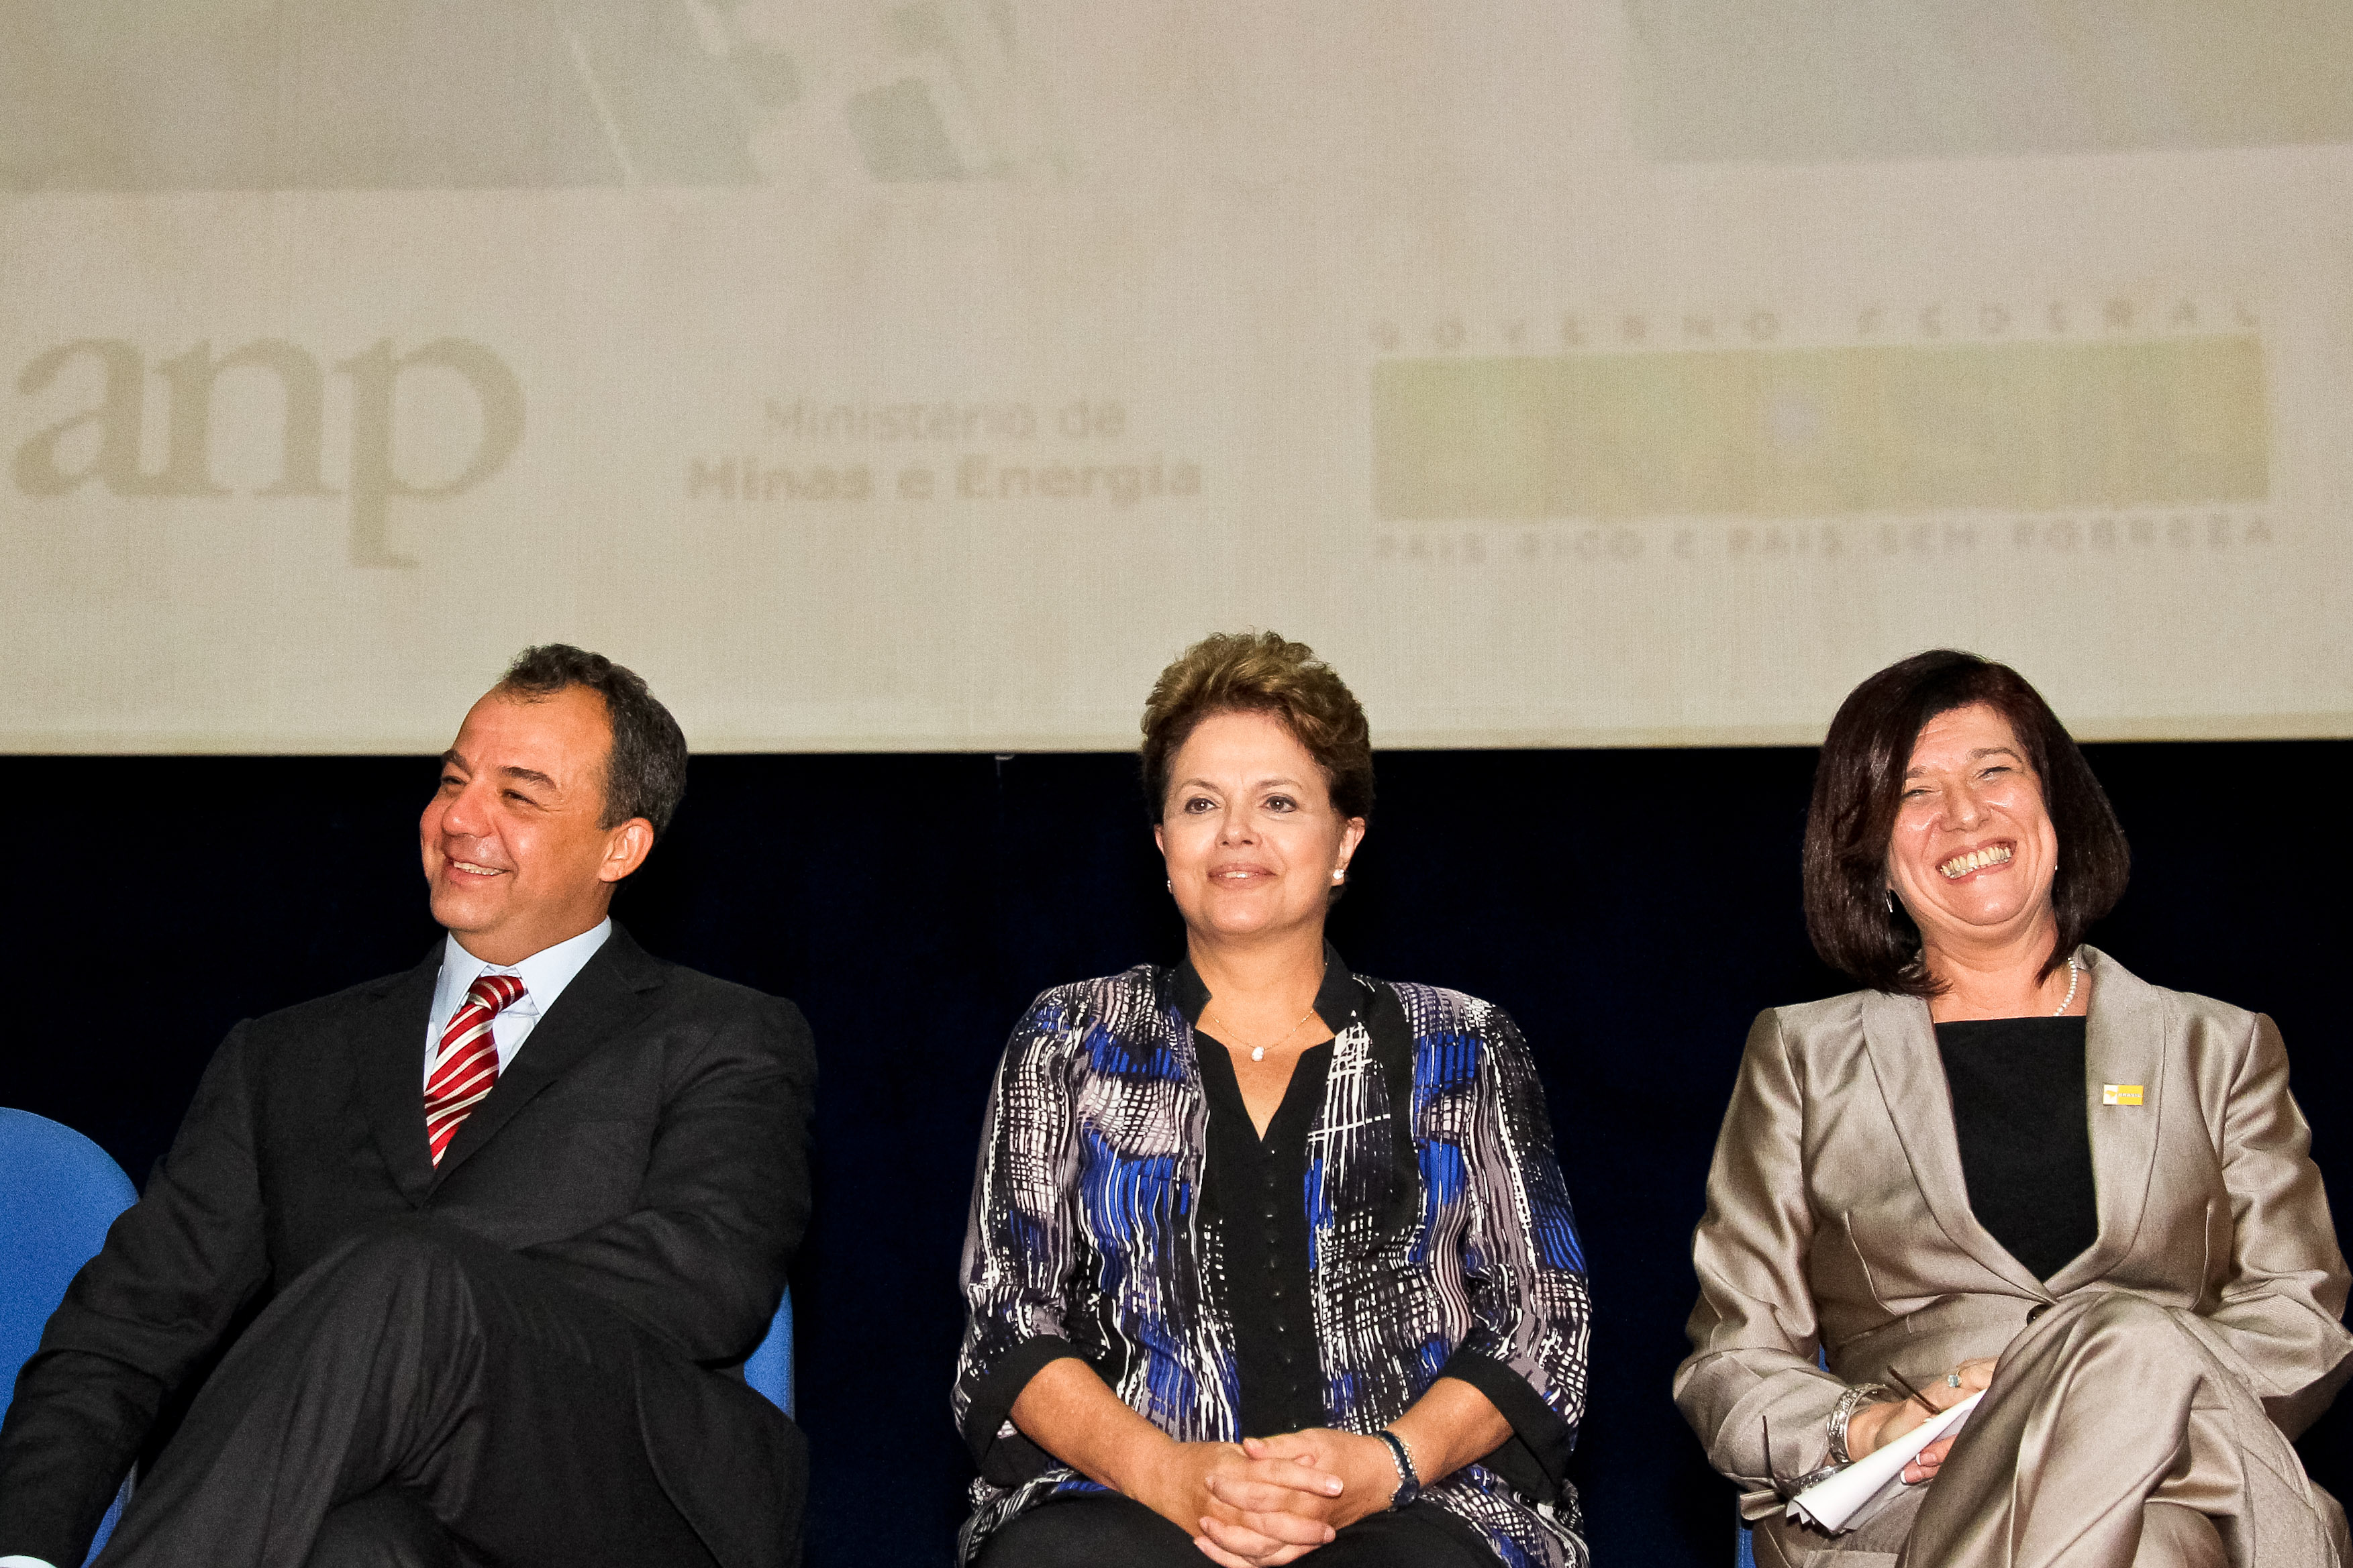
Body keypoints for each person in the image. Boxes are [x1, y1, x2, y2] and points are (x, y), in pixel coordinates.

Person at [0, 645, 816, 1568]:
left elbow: (707, 1277)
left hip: (620, 1500)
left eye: (518, 794)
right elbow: (125, 1329)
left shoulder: (724, 1034)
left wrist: (424, 1303)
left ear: (619, 844)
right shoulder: (284, 1057)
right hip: (368, 1505)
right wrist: (22, 1552)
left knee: (410, 1277)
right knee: (356, 1547)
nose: (459, 818)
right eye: (453, 780)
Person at [1675, 649, 2352, 1567]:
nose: (1964, 813)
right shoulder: (1804, 1056)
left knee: (2138, 1439)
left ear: (2056, 811)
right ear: (1869, 854)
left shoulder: (2216, 1048)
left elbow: (2300, 1316)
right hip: (1920, 1496)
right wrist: (1871, 1426)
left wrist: (2087, 1384)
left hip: (2175, 1471)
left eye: (1994, 770)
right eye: (1914, 792)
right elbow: (1730, 1360)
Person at [953, 631, 1591, 1568]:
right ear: (1163, 843)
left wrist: (1380, 1465)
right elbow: (1009, 1314)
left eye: (1279, 802)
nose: (1236, 833)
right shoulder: (1069, 1038)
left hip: (1414, 1503)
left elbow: (1544, 1317)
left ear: (1345, 841)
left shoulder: (1460, 1040)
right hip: (1126, 1498)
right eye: (1201, 803)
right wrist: (1170, 1473)